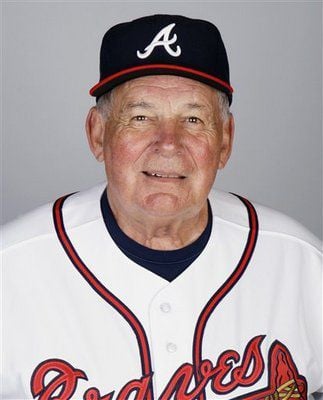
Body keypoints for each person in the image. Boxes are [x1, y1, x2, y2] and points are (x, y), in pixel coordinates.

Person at [1, 14, 322, 400]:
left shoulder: (301, 262)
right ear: (97, 134)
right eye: (140, 117)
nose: (168, 143)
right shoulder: (11, 270)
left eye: (192, 118)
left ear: (225, 141)